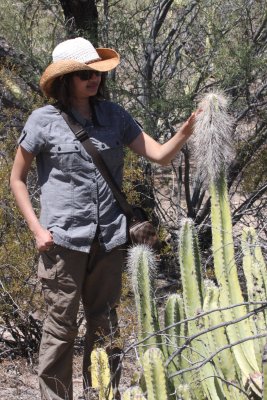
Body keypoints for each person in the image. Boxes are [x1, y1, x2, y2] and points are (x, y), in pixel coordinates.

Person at [10, 37, 198, 400]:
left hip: (110, 240)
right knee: (60, 329)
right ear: (66, 79)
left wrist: (185, 131)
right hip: (62, 241)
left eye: (95, 72)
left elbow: (159, 155)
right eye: (83, 73)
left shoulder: (114, 115)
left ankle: (103, 393)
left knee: (105, 324)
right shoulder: (42, 121)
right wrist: (37, 230)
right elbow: (17, 179)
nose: (92, 79)